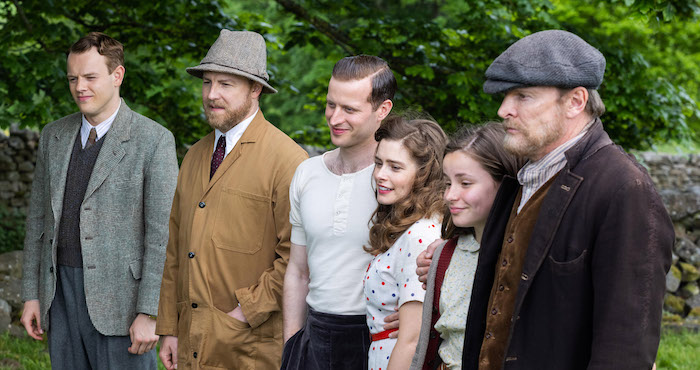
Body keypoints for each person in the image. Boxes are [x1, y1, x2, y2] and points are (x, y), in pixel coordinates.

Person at [418, 29, 674, 369]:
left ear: (575, 102)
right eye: (506, 96)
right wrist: (447, 251)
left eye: (523, 96)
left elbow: (626, 345)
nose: (504, 109)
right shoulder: (522, 178)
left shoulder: (624, 188)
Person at [20, 32, 178, 369]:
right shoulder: (54, 135)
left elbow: (162, 236)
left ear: (117, 75)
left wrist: (150, 311)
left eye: (90, 77)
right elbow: (37, 221)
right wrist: (32, 294)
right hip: (59, 295)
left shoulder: (154, 141)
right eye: (73, 78)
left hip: (123, 303)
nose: (80, 87)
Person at [155, 30, 307, 370]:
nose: (211, 95)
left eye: (225, 84)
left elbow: (295, 256)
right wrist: (169, 328)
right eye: (207, 83)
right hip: (190, 340)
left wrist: (244, 312)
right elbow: (175, 251)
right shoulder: (194, 155)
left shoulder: (288, 160)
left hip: (250, 346)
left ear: (255, 90)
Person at [282, 55, 396, 370]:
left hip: (376, 336)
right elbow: (298, 270)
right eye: (331, 105)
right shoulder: (307, 173)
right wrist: (292, 344)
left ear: (381, 110)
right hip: (314, 335)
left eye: (349, 109)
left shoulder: (397, 179)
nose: (335, 118)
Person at [410, 122, 523, 370]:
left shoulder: (524, 259)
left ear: (505, 183)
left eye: (465, 183)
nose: (450, 195)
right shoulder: (444, 254)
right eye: (448, 183)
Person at [364, 115, 446, 370]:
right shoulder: (408, 226)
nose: (380, 174)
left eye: (395, 167)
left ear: (423, 175)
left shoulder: (419, 235)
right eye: (379, 163)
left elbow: (411, 340)